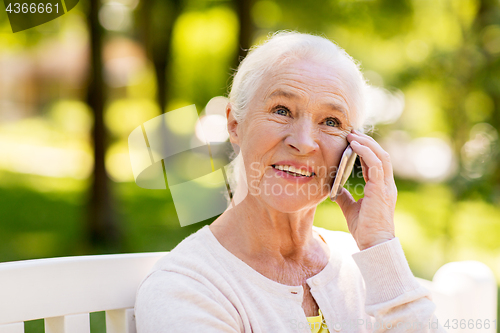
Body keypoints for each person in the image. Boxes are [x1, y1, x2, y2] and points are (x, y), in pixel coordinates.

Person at [134, 31, 447, 333]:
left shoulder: (367, 265)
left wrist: (379, 243)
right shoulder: (186, 288)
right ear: (235, 125)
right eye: (282, 110)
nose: (304, 142)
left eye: (331, 122)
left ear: (353, 150)